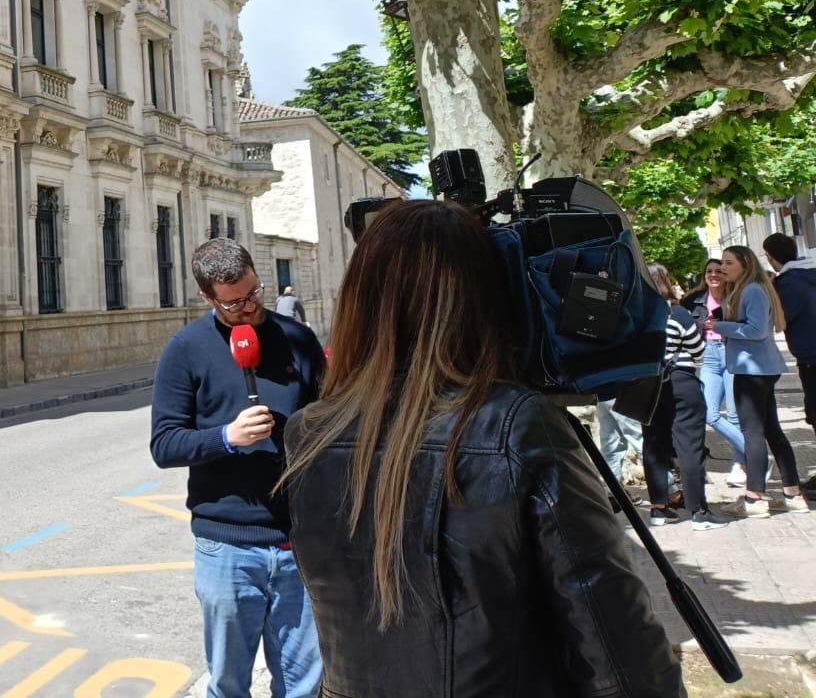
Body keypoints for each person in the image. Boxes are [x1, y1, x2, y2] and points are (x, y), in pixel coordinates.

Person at [281, 201, 682, 697]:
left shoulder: (307, 433)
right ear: (489, 294)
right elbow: (615, 644)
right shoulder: (518, 427)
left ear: (359, 297)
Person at [151, 238, 326, 698]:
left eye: (254, 294)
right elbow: (165, 444)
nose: (249, 309)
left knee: (305, 685)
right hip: (225, 546)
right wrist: (227, 437)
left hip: (297, 542)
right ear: (207, 299)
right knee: (228, 684)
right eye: (233, 303)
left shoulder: (297, 339)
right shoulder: (185, 349)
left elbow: (328, 421)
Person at [707, 245, 809, 516]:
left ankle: (755, 498)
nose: (723, 268)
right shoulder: (747, 289)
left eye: (728, 263)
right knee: (772, 430)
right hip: (757, 368)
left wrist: (718, 326)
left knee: (752, 433)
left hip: (751, 371)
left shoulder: (752, 289)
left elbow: (755, 330)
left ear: (744, 264)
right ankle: (792, 493)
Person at [641, 263, 730, 530]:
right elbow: (697, 348)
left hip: (646, 385)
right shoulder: (676, 313)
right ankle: (698, 511)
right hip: (680, 381)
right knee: (690, 446)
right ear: (665, 283)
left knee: (653, 446)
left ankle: (658, 509)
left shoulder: (634, 314)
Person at [686, 258, 748, 485]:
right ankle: (756, 457)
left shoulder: (737, 297)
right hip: (708, 356)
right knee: (710, 413)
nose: (714, 275)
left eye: (719, 271)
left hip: (733, 353)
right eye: (709, 271)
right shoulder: (693, 300)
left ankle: (741, 466)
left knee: (734, 415)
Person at [762, 233, 816, 472]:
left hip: (811, 358)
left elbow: (779, 321)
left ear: (771, 259)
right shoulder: (810, 275)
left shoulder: (788, 285)